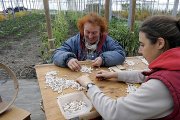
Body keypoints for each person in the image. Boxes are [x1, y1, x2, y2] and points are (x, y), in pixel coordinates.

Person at [76, 15, 180, 120]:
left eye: (142, 45)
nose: (140, 50)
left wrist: (89, 85)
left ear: (160, 43)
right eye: (87, 32)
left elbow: (114, 113)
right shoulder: (174, 66)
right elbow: (148, 73)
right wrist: (115, 74)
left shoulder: (161, 86)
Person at [52, 13, 125, 71]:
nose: (90, 36)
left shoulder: (107, 41)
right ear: (82, 30)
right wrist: (68, 59)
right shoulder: (75, 41)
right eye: (87, 32)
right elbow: (57, 54)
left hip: (102, 76)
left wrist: (103, 59)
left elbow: (120, 54)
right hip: (79, 75)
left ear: (100, 32)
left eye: (94, 33)